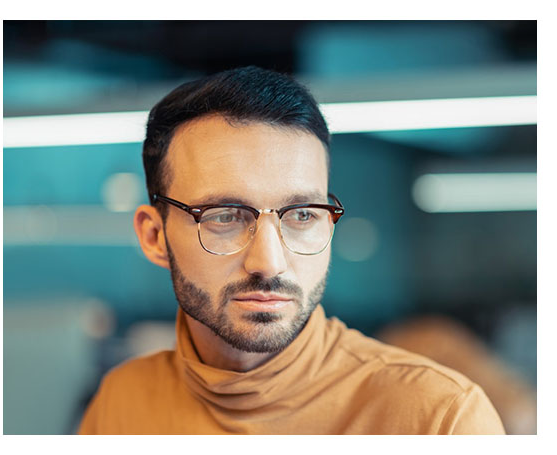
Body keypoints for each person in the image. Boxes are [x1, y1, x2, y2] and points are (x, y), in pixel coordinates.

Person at [78, 66, 505, 435]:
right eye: (225, 215)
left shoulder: (438, 420)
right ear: (154, 236)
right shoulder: (121, 403)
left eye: (301, 215)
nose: (269, 262)